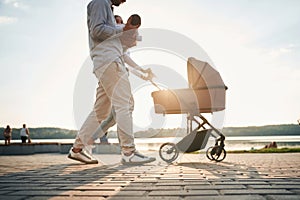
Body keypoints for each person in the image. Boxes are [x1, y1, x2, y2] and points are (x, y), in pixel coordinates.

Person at [68, 0, 155, 165]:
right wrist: (124, 29)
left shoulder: (106, 6)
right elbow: (97, 31)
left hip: (106, 63)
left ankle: (77, 149)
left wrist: (129, 32)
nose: (124, 1)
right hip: (110, 62)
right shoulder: (100, 2)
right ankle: (129, 152)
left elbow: (116, 41)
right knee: (126, 104)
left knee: (100, 111)